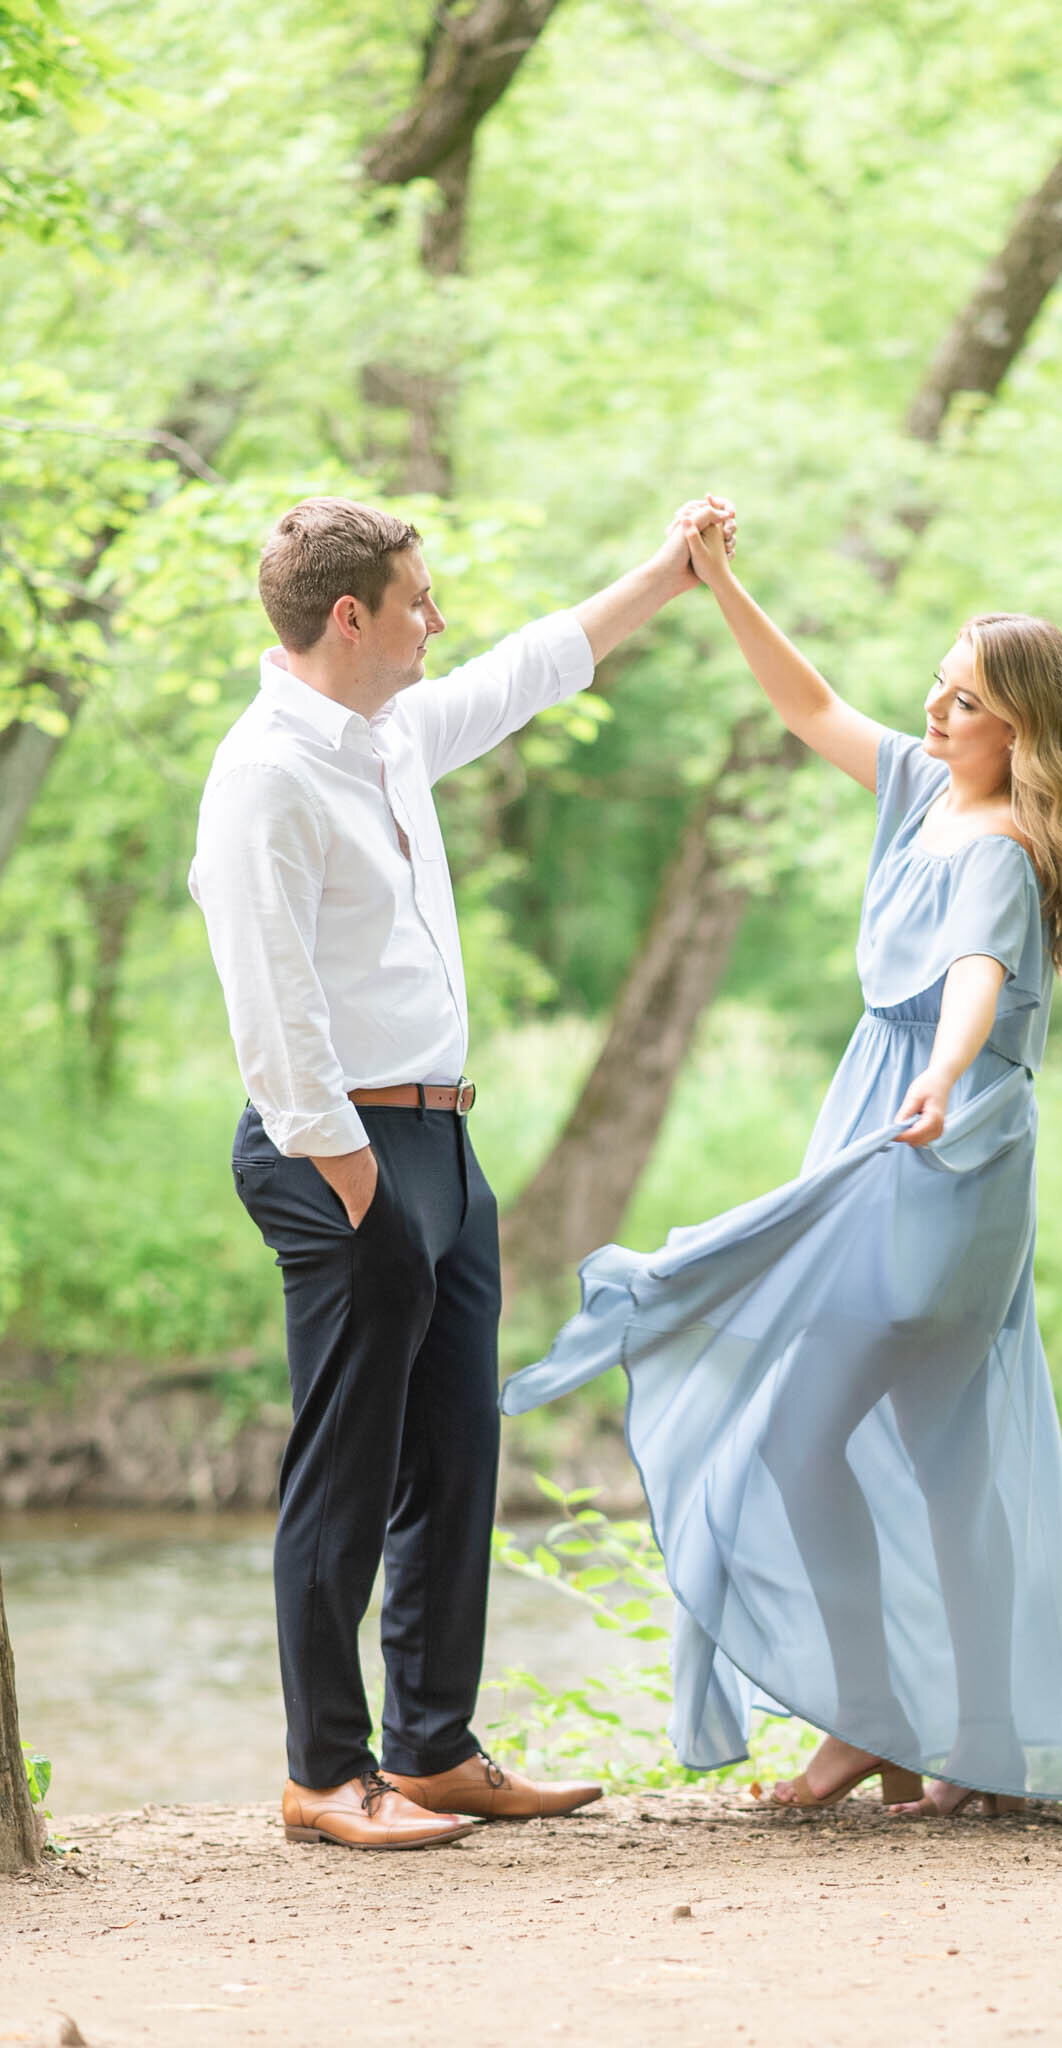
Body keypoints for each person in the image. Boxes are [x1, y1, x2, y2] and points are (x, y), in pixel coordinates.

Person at [501, 516, 1062, 1817]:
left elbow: (975, 976)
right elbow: (808, 700)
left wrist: (943, 1075)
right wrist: (720, 584)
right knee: (908, 1447)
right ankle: (941, 1737)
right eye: (944, 685)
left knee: (809, 1442)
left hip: (941, 1151)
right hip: (883, 1137)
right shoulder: (920, 789)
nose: (938, 707)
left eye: (968, 700)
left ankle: (893, 1726)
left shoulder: (1002, 848)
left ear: (1022, 732)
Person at [190, 491, 735, 1850]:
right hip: (346, 1154)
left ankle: (431, 1748)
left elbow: (531, 670)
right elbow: (272, 1008)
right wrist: (353, 1177)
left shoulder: (390, 736)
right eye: (418, 599)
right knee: (347, 1467)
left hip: (443, 1140)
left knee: (454, 1448)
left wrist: (667, 575)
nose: (440, 621)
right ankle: (326, 1773)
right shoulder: (265, 772)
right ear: (349, 615)